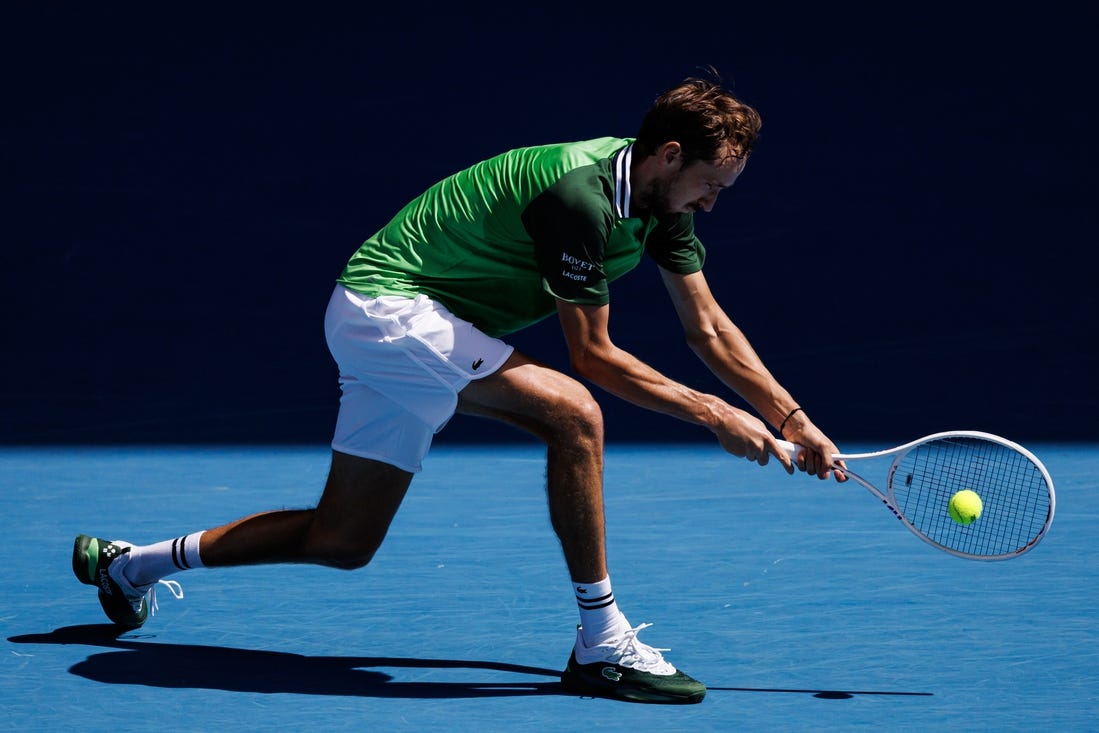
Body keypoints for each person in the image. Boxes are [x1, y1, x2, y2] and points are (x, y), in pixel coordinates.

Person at [73, 72, 846, 705]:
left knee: (341, 542)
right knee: (574, 415)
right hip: (390, 306)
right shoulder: (578, 199)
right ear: (668, 156)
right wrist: (715, 414)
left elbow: (707, 328)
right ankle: (600, 642)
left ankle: (130, 564)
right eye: (709, 186)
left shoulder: (656, 199)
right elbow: (595, 359)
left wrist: (791, 417)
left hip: (424, 327)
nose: (711, 205)